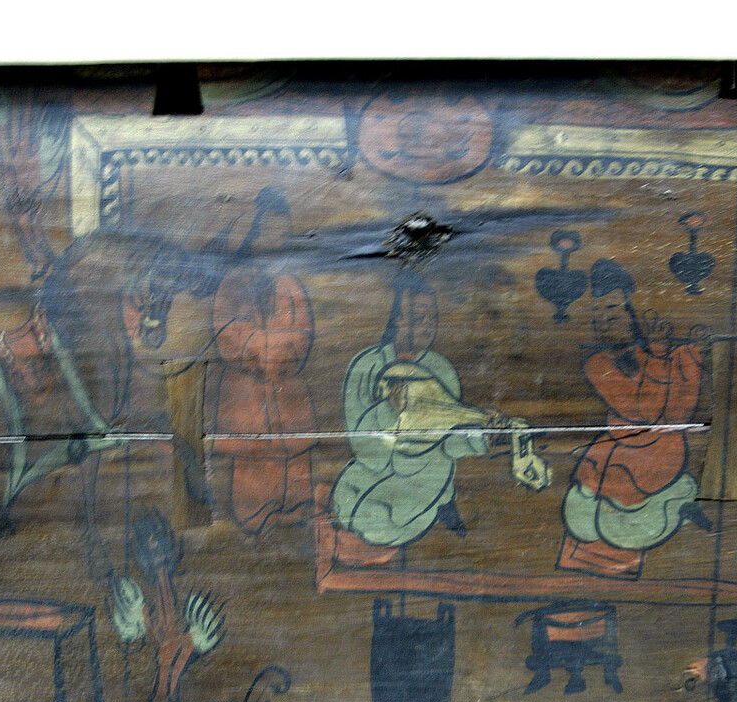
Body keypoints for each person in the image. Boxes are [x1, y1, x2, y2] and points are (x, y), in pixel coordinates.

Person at [331, 271, 516, 549]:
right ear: (397, 320)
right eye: (419, 319)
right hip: (371, 474)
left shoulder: (440, 368)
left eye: (433, 319)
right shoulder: (365, 366)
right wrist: (391, 411)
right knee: (351, 507)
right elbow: (362, 446)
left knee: (387, 524)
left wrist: (481, 436)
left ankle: (437, 509)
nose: (429, 326)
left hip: (425, 481)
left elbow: (448, 438)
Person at [558, 260, 710, 579]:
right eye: (596, 315)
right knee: (593, 508)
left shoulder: (661, 354)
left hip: (661, 455)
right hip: (619, 452)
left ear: (635, 315)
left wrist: (693, 353)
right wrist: (659, 354)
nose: (603, 322)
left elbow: (679, 412)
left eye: (613, 313)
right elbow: (644, 410)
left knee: (628, 511)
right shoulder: (598, 363)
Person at [210, 188, 316, 534]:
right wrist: (260, 346)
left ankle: (294, 509)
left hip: (287, 391)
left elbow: (303, 335)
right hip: (248, 393)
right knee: (252, 457)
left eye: (282, 234)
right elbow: (226, 331)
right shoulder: (234, 282)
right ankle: (256, 514)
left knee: (294, 458)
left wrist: (282, 349)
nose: (276, 241)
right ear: (254, 234)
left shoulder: (290, 285)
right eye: (269, 232)